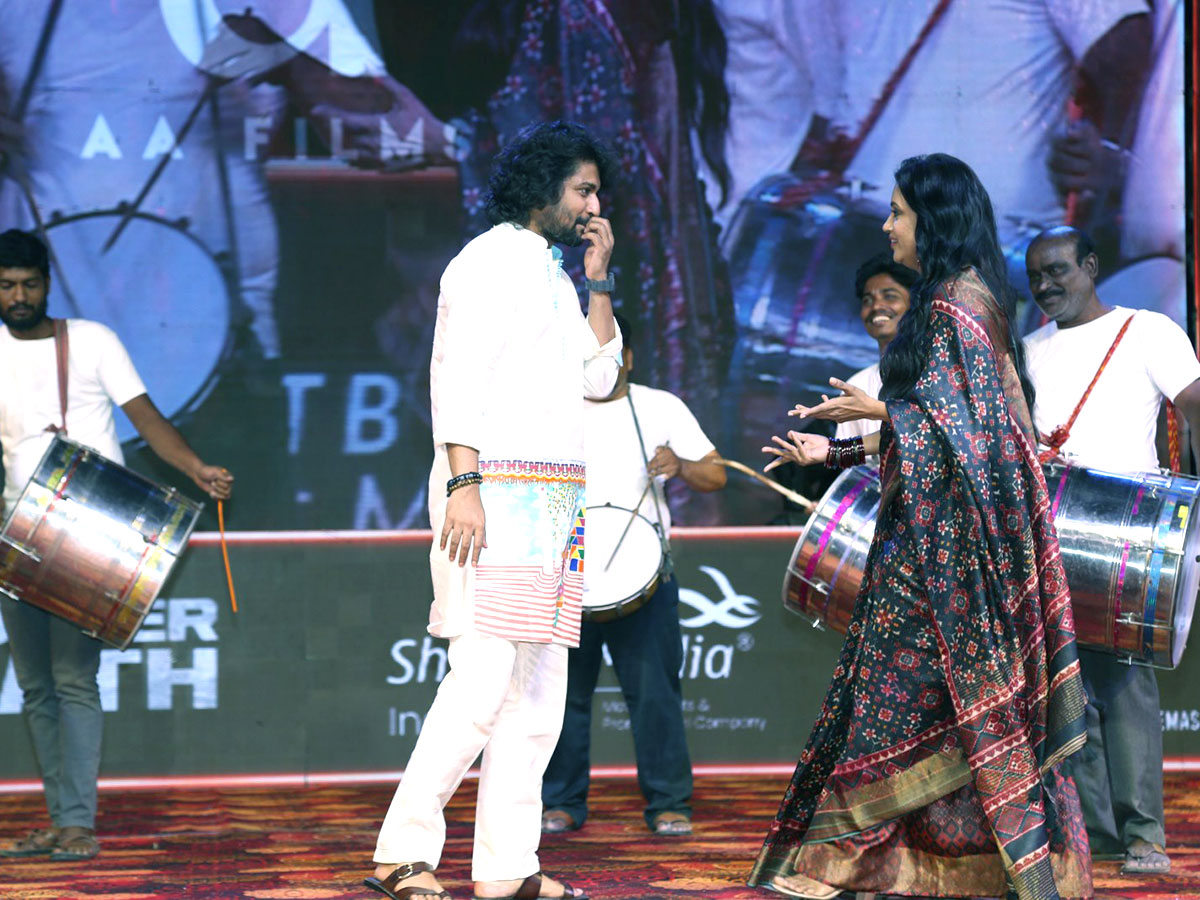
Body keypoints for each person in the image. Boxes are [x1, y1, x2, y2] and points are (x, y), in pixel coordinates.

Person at [752, 154, 1091, 900]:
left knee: (897, 701)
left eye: (898, 211)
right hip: (932, 546)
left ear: (932, 219)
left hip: (955, 560)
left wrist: (878, 411)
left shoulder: (957, 307)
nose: (887, 225)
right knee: (922, 705)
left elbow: (978, 435)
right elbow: (942, 429)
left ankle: (850, 864)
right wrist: (834, 450)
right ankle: (921, 868)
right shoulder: (953, 300)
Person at [365, 121, 620, 900]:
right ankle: (401, 853)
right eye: (583, 190)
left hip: (556, 506)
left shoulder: (555, 274)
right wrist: (463, 486)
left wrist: (599, 279)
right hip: (495, 497)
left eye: (597, 192)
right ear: (543, 186)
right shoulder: (487, 260)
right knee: (479, 684)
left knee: (537, 701)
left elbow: (601, 378)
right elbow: (456, 378)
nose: (594, 205)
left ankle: (507, 868)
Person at [0, 228, 234, 862]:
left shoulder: (92, 340)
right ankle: (60, 820)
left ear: (47, 284)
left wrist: (195, 468)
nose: (19, 296)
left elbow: (146, 418)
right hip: (17, 536)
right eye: (7, 286)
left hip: (89, 530)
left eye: (29, 284)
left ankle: (77, 824)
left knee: (73, 679)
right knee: (35, 687)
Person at [1023, 225, 1200, 875]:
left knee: (1125, 688)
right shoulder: (1027, 350)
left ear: (1091, 266)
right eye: (1035, 277)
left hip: (1128, 538)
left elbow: (1195, 405)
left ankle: (1144, 834)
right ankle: (1094, 834)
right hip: (1048, 535)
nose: (1045, 285)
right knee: (1066, 689)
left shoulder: (1147, 330)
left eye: (1058, 271)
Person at [540, 313, 725, 838]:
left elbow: (716, 473)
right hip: (568, 577)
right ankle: (560, 801)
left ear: (628, 358)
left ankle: (669, 802)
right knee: (563, 699)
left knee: (655, 697)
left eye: (607, 353)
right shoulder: (552, 409)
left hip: (645, 583)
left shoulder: (660, 406)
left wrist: (680, 465)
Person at [832, 252, 916, 445]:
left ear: (914, 304)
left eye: (890, 296)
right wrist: (825, 451)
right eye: (867, 300)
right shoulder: (857, 385)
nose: (877, 306)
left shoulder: (935, 374)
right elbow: (848, 457)